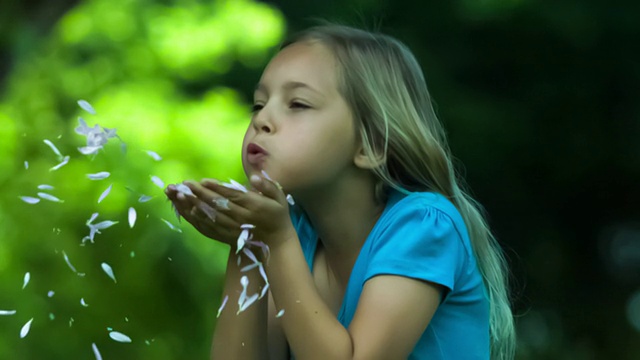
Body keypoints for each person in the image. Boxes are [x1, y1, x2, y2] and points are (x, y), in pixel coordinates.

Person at [165, 24, 516, 360]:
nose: (261, 120)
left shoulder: (424, 226)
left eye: (298, 104)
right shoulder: (291, 237)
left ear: (371, 144)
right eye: (258, 104)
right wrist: (245, 245)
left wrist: (273, 240)